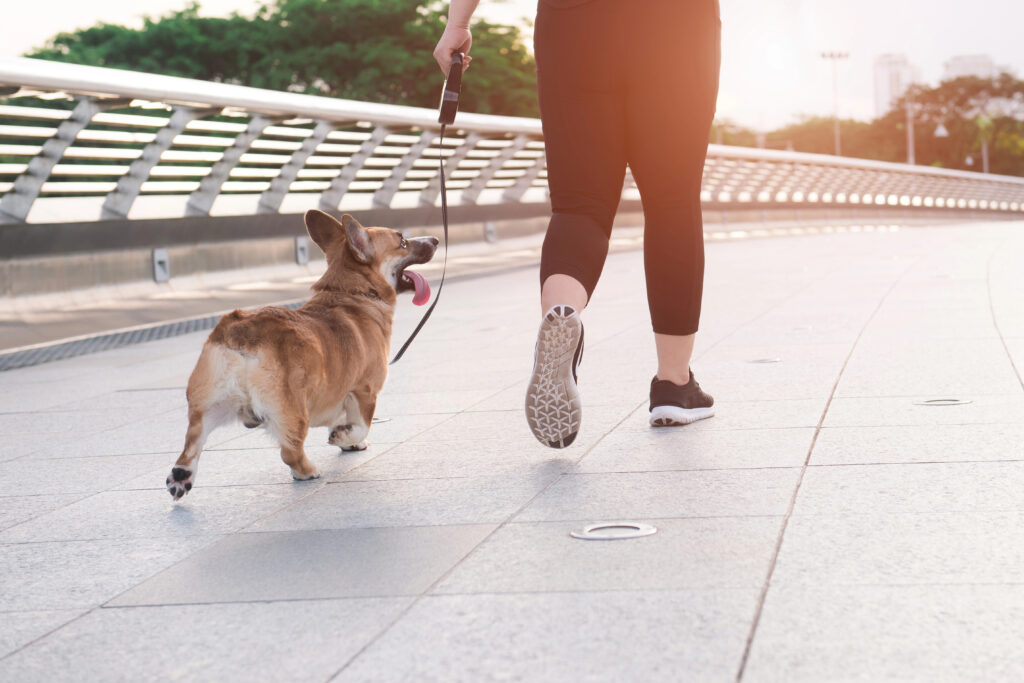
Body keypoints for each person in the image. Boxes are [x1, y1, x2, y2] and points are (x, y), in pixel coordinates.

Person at [434, 0, 721, 448]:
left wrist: (458, 23)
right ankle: (674, 385)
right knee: (672, 204)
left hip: (572, 27)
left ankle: (560, 312)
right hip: (676, 26)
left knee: (579, 207)